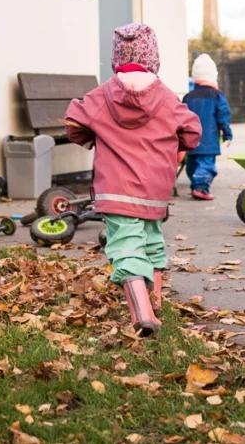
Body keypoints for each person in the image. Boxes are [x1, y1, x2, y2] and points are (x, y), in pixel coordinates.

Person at [65, 23, 201, 336]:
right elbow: (192, 132)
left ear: (116, 58)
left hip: (115, 190)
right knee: (151, 239)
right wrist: (173, 144)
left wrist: (93, 135)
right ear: (154, 59)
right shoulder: (166, 97)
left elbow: (74, 124)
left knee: (126, 245)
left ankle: (143, 314)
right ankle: (155, 301)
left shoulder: (102, 95)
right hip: (154, 190)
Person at [182, 54, 233, 201]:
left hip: (191, 140)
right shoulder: (217, 96)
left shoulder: (188, 97)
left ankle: (196, 184)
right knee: (206, 165)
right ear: (213, 75)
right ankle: (201, 187)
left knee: (192, 165)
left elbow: (181, 116)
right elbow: (223, 116)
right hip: (209, 141)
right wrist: (227, 133)